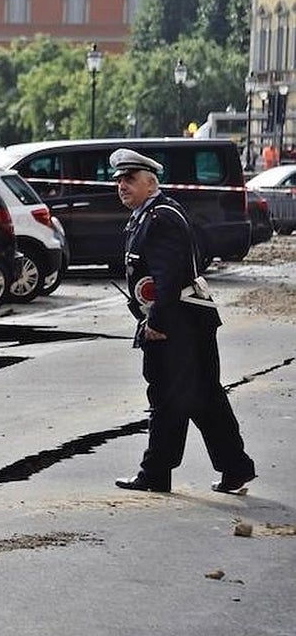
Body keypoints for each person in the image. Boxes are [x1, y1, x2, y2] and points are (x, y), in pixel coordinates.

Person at [110, 148, 256, 495]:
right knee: (202, 398)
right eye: (119, 180)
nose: (122, 186)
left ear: (150, 182)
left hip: (179, 323)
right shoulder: (149, 214)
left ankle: (156, 474)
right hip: (187, 321)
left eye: (130, 179)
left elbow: (169, 276)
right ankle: (234, 468)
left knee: (167, 396)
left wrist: (157, 322)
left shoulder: (160, 217)